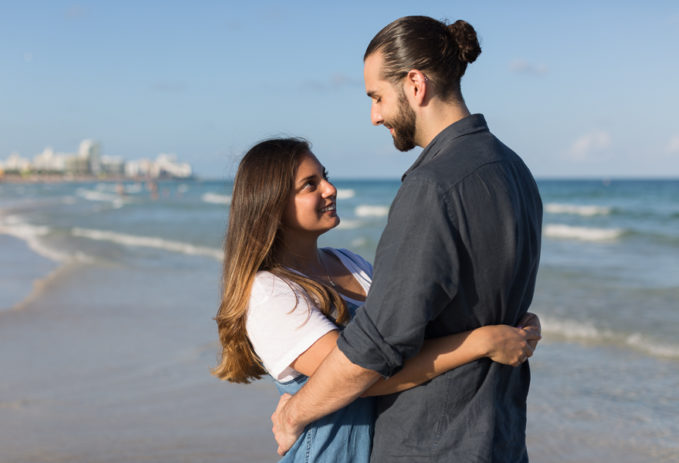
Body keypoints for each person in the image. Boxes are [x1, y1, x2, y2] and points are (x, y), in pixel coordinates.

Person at [271, 16, 543, 462]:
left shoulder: (432, 186)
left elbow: (379, 342)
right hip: (503, 436)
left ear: (415, 84)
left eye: (377, 97)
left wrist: (294, 413)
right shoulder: (515, 171)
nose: (375, 115)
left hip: (432, 439)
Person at [215, 138, 541, 462]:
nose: (330, 189)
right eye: (309, 185)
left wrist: (512, 323)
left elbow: (412, 330)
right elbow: (360, 375)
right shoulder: (269, 292)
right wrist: (481, 342)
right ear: (271, 204)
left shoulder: (348, 262)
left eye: (325, 176)